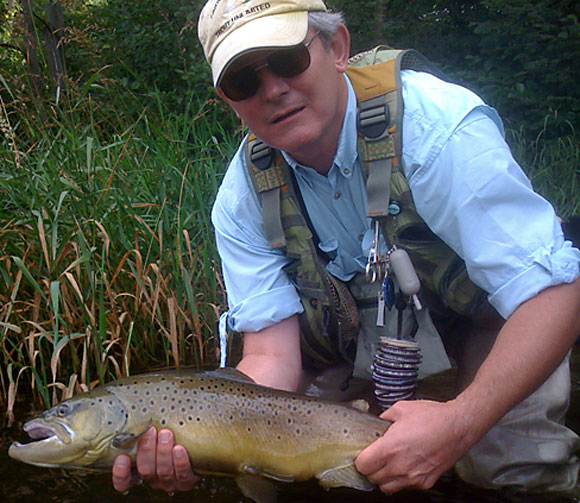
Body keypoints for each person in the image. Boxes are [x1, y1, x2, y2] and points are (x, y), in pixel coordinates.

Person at [112, 0, 580, 496]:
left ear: (337, 47)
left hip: (494, 325)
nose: (273, 89)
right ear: (228, 100)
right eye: (244, 81)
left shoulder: (436, 127)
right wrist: (205, 441)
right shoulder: (241, 197)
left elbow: (555, 295)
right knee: (305, 476)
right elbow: (272, 357)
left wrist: (460, 423)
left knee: (512, 472)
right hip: (362, 347)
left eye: (288, 59)